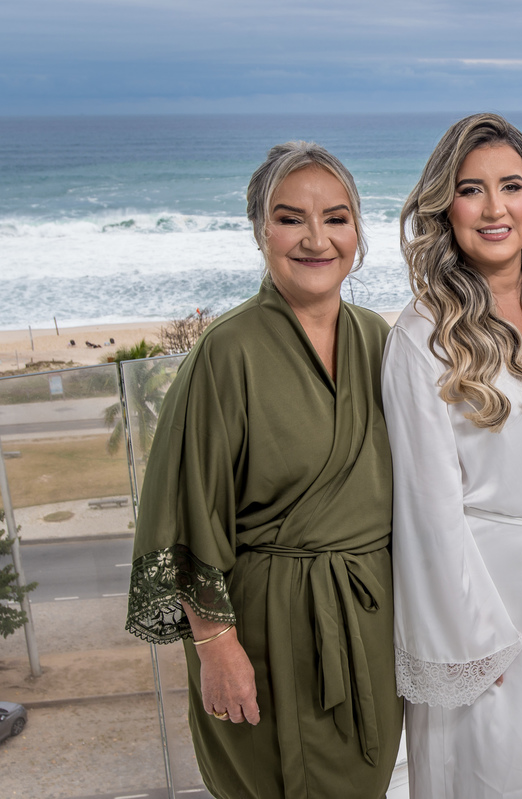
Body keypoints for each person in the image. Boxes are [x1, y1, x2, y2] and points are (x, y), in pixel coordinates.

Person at [125, 142, 402, 798]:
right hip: (264, 637)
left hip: (369, 629)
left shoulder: (382, 341)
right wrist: (216, 647)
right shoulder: (227, 351)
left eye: (335, 218)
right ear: (259, 231)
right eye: (289, 218)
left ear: (358, 232)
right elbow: (186, 512)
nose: (316, 239)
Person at [383, 113, 522, 798]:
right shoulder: (422, 336)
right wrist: (473, 645)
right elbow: (426, 512)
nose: (493, 209)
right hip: (486, 613)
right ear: (444, 207)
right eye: (470, 189)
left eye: (511, 186)